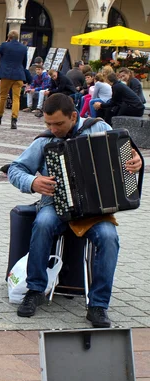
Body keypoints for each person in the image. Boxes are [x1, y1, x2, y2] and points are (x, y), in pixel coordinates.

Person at [7, 93, 142, 327]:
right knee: (42, 224)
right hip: (55, 204)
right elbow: (15, 169)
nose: (53, 129)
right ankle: (35, 290)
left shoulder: (98, 127)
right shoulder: (45, 140)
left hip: (96, 210)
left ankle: (98, 305)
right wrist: (32, 182)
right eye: (48, 124)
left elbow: (126, 154)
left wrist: (136, 161)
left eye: (58, 123)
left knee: (110, 238)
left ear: (73, 115)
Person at [0, 30, 31, 130]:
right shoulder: (23, 47)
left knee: (3, 96)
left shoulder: (5, 45)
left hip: (6, 75)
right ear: (18, 38)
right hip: (19, 75)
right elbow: (24, 63)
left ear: (9, 37)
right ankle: (14, 120)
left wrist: (5, 44)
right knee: (16, 98)